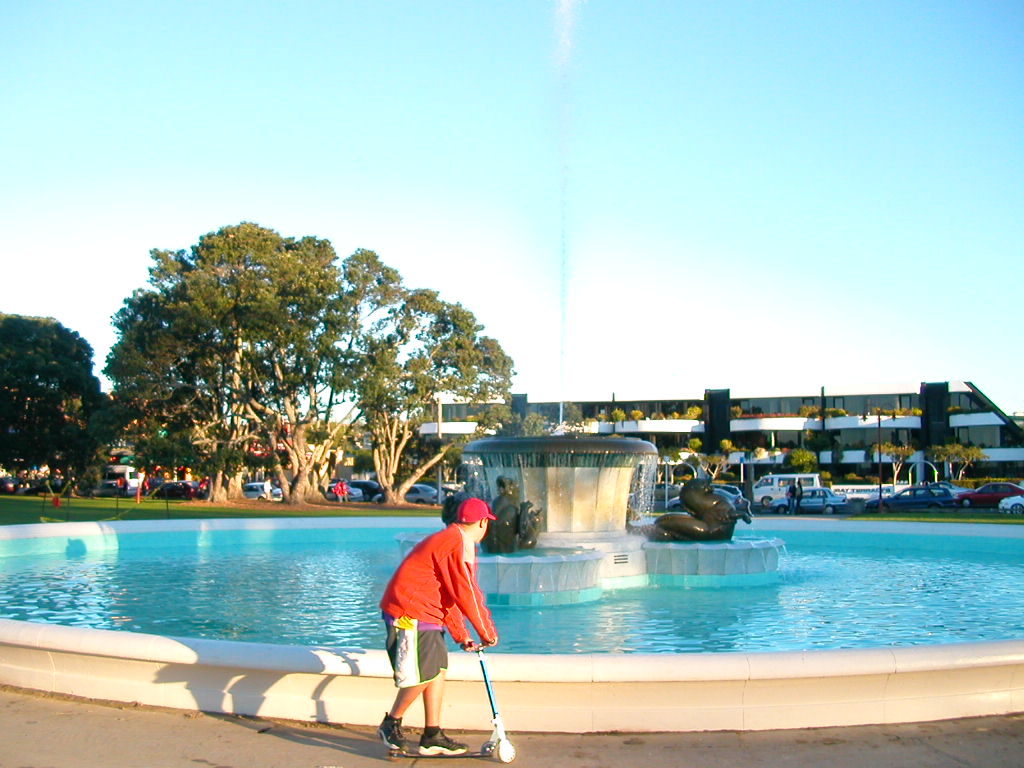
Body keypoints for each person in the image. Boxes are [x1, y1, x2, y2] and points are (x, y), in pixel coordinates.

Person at [377, 497, 499, 756]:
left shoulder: (456, 540)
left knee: (438, 668)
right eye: (488, 522)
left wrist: (462, 634)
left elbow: (450, 593)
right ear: (482, 522)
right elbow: (466, 592)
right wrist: (486, 632)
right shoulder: (455, 543)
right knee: (426, 672)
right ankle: (392, 723)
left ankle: (432, 735)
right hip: (410, 612)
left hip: (425, 613)